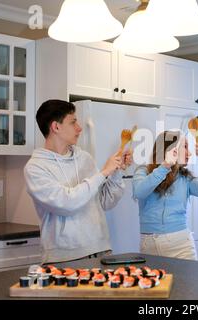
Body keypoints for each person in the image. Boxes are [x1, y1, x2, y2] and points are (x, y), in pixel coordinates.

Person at [24, 99, 132, 264]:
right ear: (56, 127)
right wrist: (103, 173)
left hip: (101, 251)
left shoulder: (84, 158)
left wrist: (116, 172)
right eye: (73, 122)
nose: (79, 128)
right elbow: (66, 203)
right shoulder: (36, 168)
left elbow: (105, 202)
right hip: (62, 259)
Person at [132, 131, 198, 260]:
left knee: (188, 281)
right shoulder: (143, 171)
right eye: (185, 147)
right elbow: (139, 192)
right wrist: (164, 167)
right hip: (149, 245)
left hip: (181, 245)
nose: (190, 153)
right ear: (171, 149)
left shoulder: (185, 178)